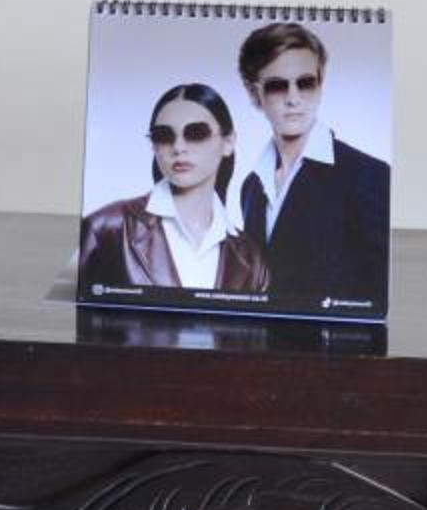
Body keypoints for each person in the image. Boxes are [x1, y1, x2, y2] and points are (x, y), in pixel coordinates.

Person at [233, 21, 391, 303]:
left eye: (306, 83)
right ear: (254, 95)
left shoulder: (369, 176)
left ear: (321, 84)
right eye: (277, 86)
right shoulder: (251, 187)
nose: (293, 99)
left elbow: (378, 296)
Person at [75, 83, 268, 294]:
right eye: (163, 135)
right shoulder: (106, 229)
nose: (178, 147)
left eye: (196, 133)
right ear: (153, 145)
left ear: (228, 142)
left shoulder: (251, 259)